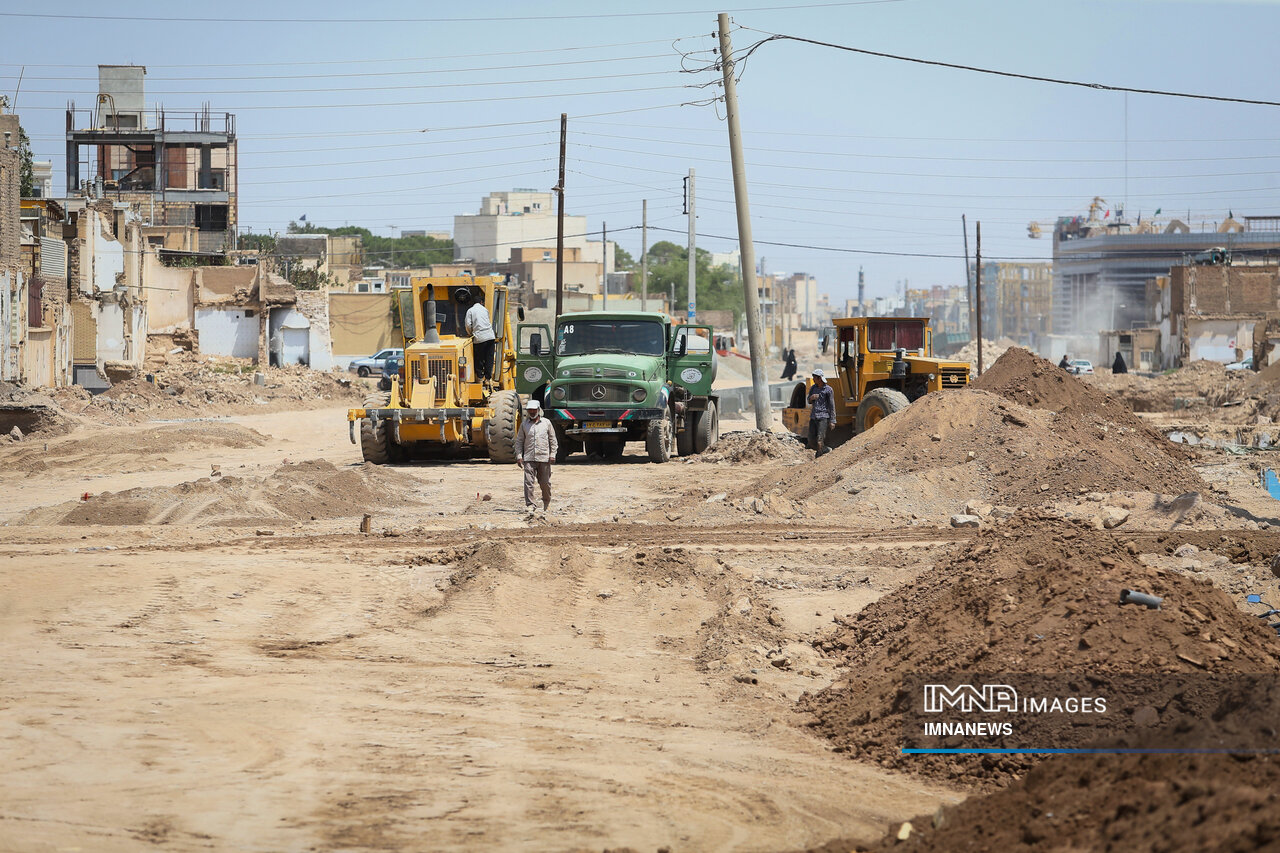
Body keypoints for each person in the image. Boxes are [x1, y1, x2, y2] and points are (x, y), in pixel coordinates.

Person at [515, 399, 558, 513]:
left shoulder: (547, 423)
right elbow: (519, 441)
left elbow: (553, 440)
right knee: (528, 482)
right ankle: (530, 505)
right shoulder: (524, 425)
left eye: (534, 410)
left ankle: (546, 502)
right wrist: (519, 456)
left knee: (545, 483)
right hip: (529, 458)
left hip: (544, 458)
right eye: (530, 410)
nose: (532, 412)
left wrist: (552, 454)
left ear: (538, 410)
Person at [464, 293, 497, 382]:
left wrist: (470, 333)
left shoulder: (470, 311)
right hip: (490, 336)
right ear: (481, 302)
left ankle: (480, 376)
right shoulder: (485, 310)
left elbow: (468, 324)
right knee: (489, 358)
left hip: (480, 337)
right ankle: (488, 377)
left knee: (479, 358)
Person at [807, 368, 836, 457]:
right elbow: (808, 400)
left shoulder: (828, 390)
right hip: (813, 417)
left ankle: (819, 456)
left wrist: (832, 420)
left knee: (820, 440)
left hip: (823, 417)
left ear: (819, 378)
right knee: (811, 440)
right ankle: (825, 449)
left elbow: (832, 406)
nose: (813, 379)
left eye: (814, 378)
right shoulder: (813, 388)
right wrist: (811, 398)